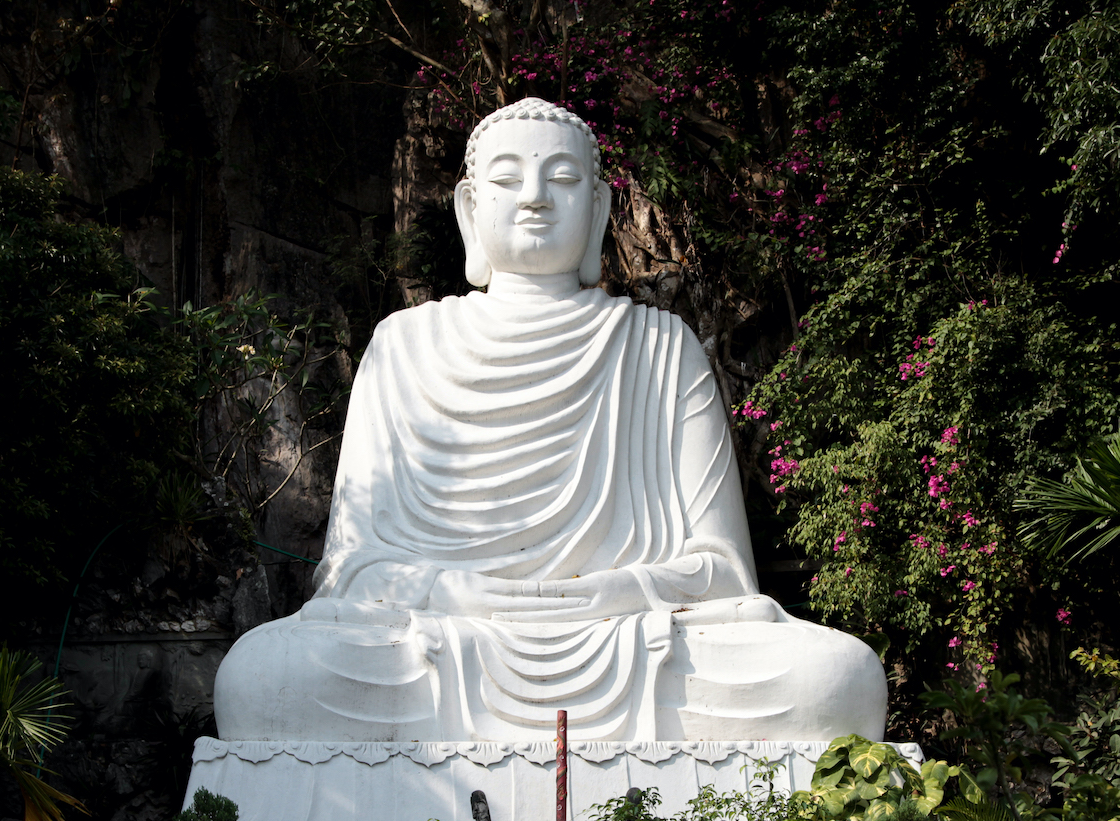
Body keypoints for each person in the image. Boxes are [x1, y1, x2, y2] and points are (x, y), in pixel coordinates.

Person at [212, 98, 887, 745]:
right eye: (508, 180)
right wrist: (455, 591)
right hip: (445, 635)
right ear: (470, 209)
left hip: (629, 635)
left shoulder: (659, 346)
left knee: (837, 679)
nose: (535, 197)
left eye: (562, 179)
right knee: (263, 679)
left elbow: (720, 568)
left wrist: (610, 592)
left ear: (598, 209)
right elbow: (354, 569)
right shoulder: (404, 345)